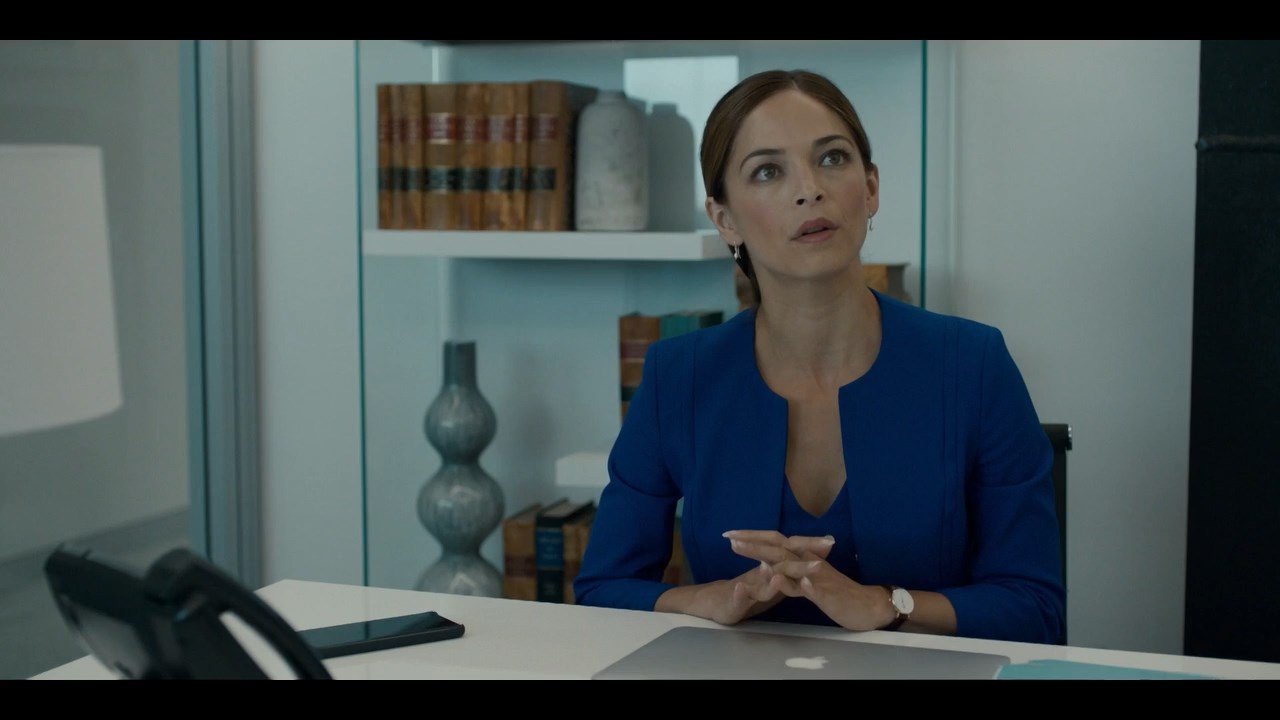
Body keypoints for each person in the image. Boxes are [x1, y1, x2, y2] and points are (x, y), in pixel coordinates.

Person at [573, 69, 1064, 644]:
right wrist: (709, 600)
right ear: (725, 219)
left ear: (870, 187)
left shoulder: (975, 364)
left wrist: (886, 605)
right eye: (767, 171)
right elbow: (602, 590)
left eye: (832, 158)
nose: (809, 189)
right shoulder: (676, 376)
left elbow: (1036, 610)